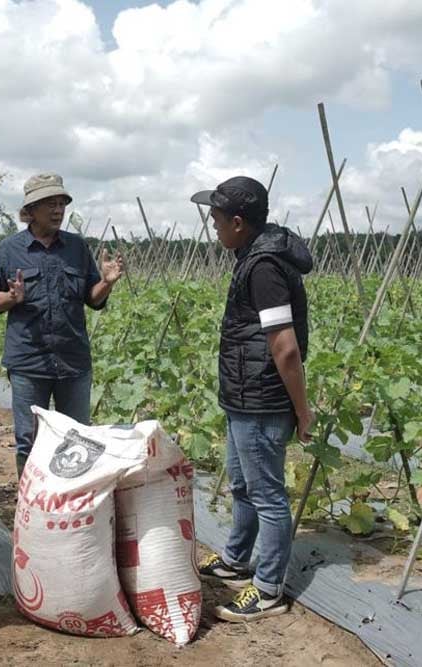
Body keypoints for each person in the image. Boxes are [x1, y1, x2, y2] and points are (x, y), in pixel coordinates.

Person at [189, 176, 314, 622]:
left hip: (262, 399)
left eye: (217, 219)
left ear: (239, 222)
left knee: (267, 495)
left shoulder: (263, 267)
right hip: (244, 395)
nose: (214, 226)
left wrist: (302, 410)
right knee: (242, 484)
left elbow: (285, 345)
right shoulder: (251, 256)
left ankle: (268, 590)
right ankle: (237, 561)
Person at [0, 173, 123, 477]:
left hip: (73, 360)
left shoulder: (77, 247)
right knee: (28, 440)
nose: (58, 209)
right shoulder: (9, 249)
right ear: (30, 210)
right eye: (50, 203)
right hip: (28, 361)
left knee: (77, 439)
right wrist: (12, 297)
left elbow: (93, 299)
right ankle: (31, 507)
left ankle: (69, 509)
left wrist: (107, 283)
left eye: (61, 203)